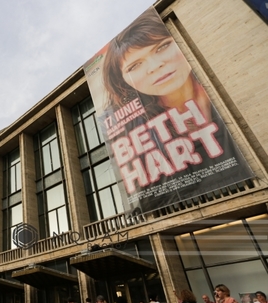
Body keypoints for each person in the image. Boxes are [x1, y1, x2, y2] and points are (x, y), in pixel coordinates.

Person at [99, 7, 249, 212]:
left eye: (162, 47)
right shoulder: (129, 125)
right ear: (123, 81)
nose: (155, 66)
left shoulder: (219, 85)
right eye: (134, 66)